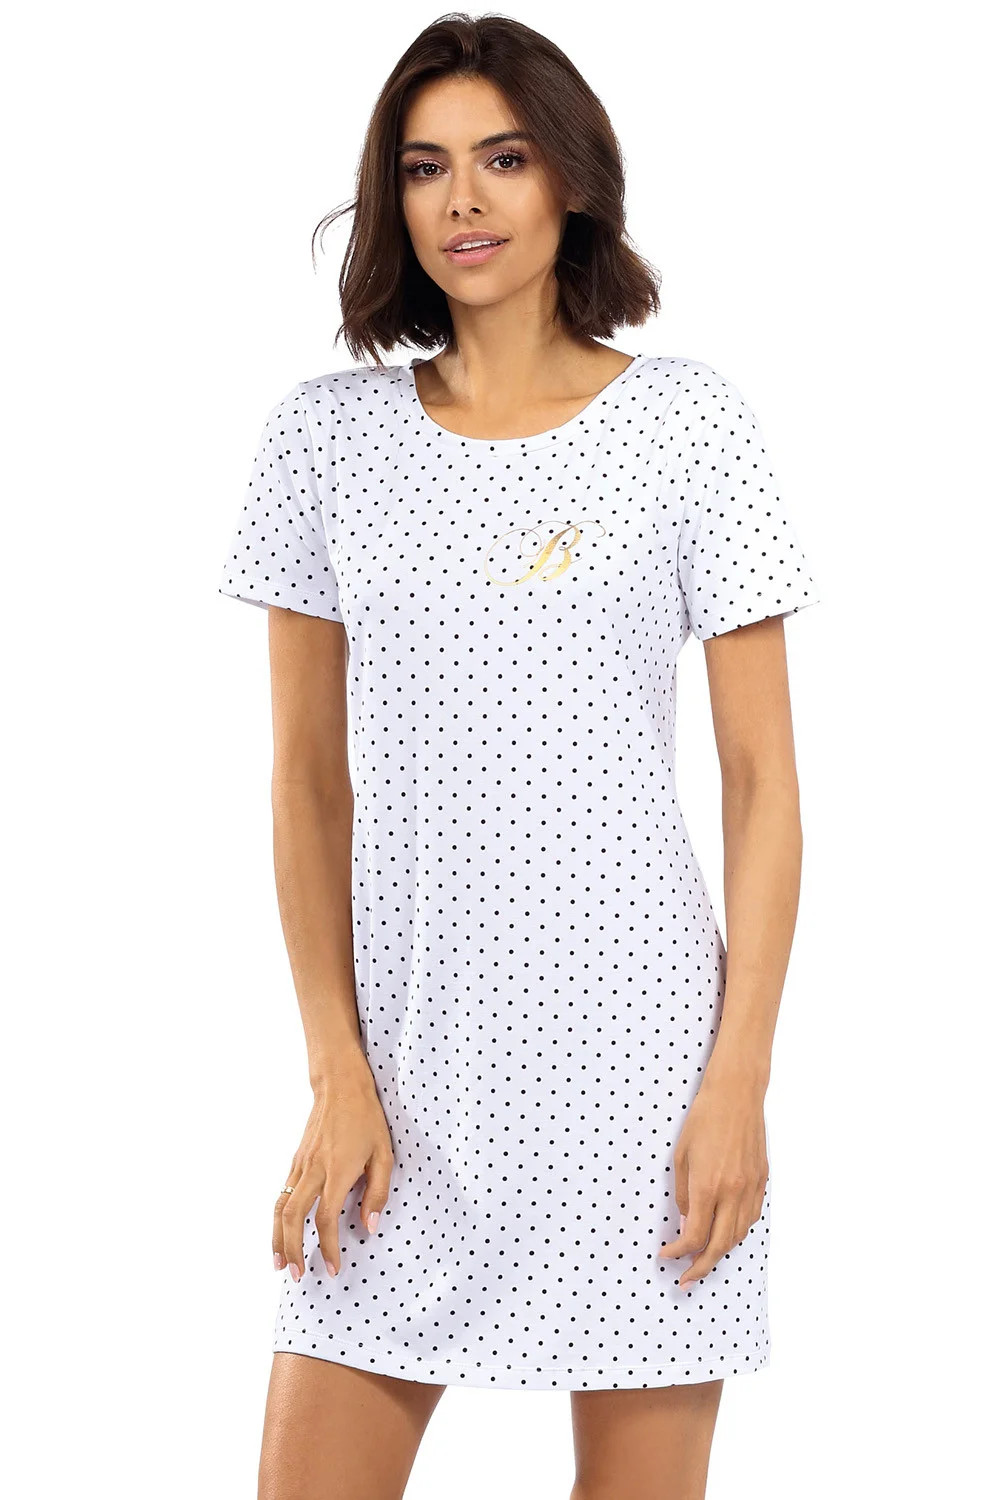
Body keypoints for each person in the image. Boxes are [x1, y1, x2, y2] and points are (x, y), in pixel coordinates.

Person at [218, 14, 821, 1500]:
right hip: (400, 1084)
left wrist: (739, 1080)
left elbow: (762, 785)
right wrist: (335, 1069)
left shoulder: (691, 426)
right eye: (425, 167)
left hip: (645, 1083)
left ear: (572, 180)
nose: (464, 200)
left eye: (502, 158)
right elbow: (305, 785)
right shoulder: (323, 442)